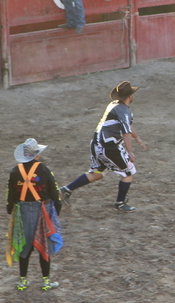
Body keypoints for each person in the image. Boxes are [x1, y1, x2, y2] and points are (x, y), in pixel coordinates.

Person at [60, 81, 148, 212]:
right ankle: (120, 203)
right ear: (130, 96)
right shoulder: (124, 110)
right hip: (109, 146)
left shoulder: (113, 105)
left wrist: (137, 138)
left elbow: (128, 126)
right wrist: (130, 151)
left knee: (97, 173)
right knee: (128, 172)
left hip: (97, 143)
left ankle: (65, 190)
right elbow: (126, 131)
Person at [6, 138, 63, 292]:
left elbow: (10, 195)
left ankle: (23, 281)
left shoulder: (15, 171)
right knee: (44, 247)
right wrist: (55, 213)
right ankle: (46, 282)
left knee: (24, 247)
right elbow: (54, 193)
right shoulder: (44, 170)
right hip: (42, 212)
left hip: (23, 212)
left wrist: (11, 209)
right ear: (36, 155)